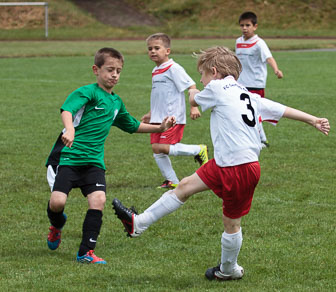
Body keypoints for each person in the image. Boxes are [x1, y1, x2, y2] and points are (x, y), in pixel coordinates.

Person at [112, 46, 329, 280]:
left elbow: (195, 98)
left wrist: (192, 90)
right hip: (229, 162)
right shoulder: (246, 93)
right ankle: (138, 223)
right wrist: (313, 119)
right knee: (184, 186)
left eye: (202, 75)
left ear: (214, 72)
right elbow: (281, 109)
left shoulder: (216, 86)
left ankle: (228, 270)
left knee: (231, 223)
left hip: (237, 167)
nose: (201, 80)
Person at [45, 47, 176, 264]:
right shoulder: (87, 92)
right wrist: (69, 129)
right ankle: (57, 225)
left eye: (118, 71)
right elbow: (67, 110)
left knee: (98, 200)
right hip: (70, 159)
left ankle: (85, 252)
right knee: (57, 202)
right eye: (109, 70)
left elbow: (132, 125)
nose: (114, 75)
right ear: (96, 70)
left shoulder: (116, 103)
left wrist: (159, 128)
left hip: (94, 162)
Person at [141, 33, 208, 189]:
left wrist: (194, 106)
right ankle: (172, 180)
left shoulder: (174, 68)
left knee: (162, 147)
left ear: (167, 51)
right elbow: (160, 95)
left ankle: (198, 150)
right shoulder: (156, 70)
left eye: (157, 48)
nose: (152, 51)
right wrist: (151, 113)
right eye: (149, 48)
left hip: (172, 117)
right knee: (156, 150)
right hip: (158, 117)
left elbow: (191, 86)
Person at [235, 11, 283, 147]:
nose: (244, 28)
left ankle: (261, 139)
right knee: (243, 111)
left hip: (256, 83)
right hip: (241, 83)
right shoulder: (238, 42)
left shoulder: (259, 43)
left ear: (255, 26)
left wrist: (276, 70)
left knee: (255, 111)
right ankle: (258, 139)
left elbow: (269, 57)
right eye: (242, 25)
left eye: (248, 25)